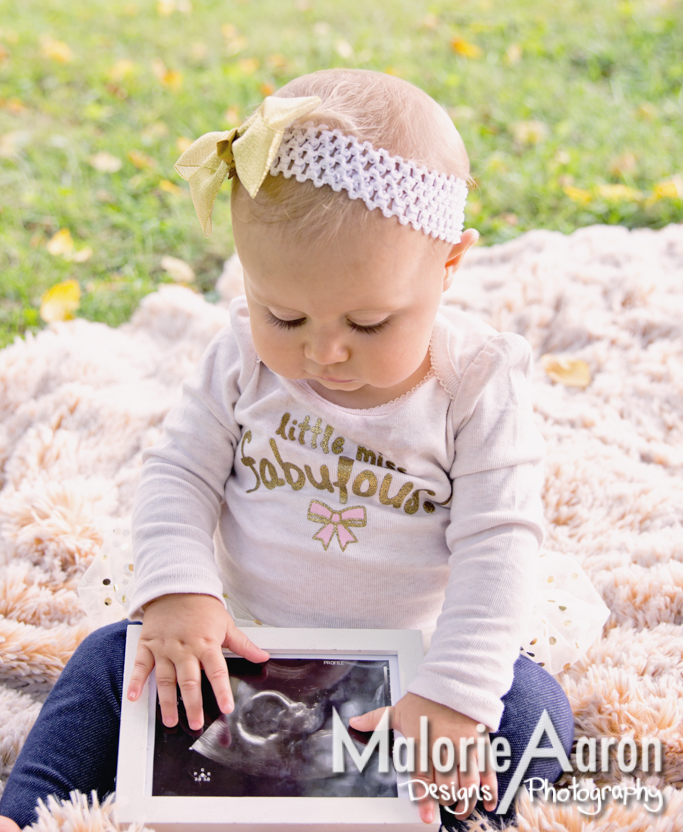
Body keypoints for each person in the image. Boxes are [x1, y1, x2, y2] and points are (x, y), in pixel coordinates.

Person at [0, 69, 586, 832]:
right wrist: (182, 592)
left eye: (369, 323)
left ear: (448, 266)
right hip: (243, 642)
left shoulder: (472, 384)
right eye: (283, 313)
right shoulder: (240, 354)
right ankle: (27, 810)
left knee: (529, 708)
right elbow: (179, 472)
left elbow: (497, 542)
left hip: (411, 659)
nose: (323, 354)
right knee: (113, 663)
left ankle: (461, 816)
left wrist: (454, 693)